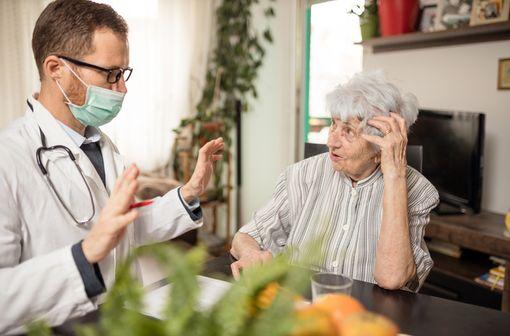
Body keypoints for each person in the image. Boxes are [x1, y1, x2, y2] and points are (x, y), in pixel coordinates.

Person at [0, 1, 223, 334]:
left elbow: (123, 228)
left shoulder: (103, 147)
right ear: (55, 68)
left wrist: (187, 194)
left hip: (121, 318)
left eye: (124, 73)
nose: (122, 88)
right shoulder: (9, 158)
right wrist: (84, 256)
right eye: (111, 74)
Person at [230, 71, 439, 292]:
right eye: (334, 124)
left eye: (348, 131)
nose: (331, 141)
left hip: (367, 316)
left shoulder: (419, 191)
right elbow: (246, 236)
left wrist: (395, 175)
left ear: (381, 145)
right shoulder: (303, 175)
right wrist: (251, 254)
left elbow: (392, 278)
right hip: (300, 306)